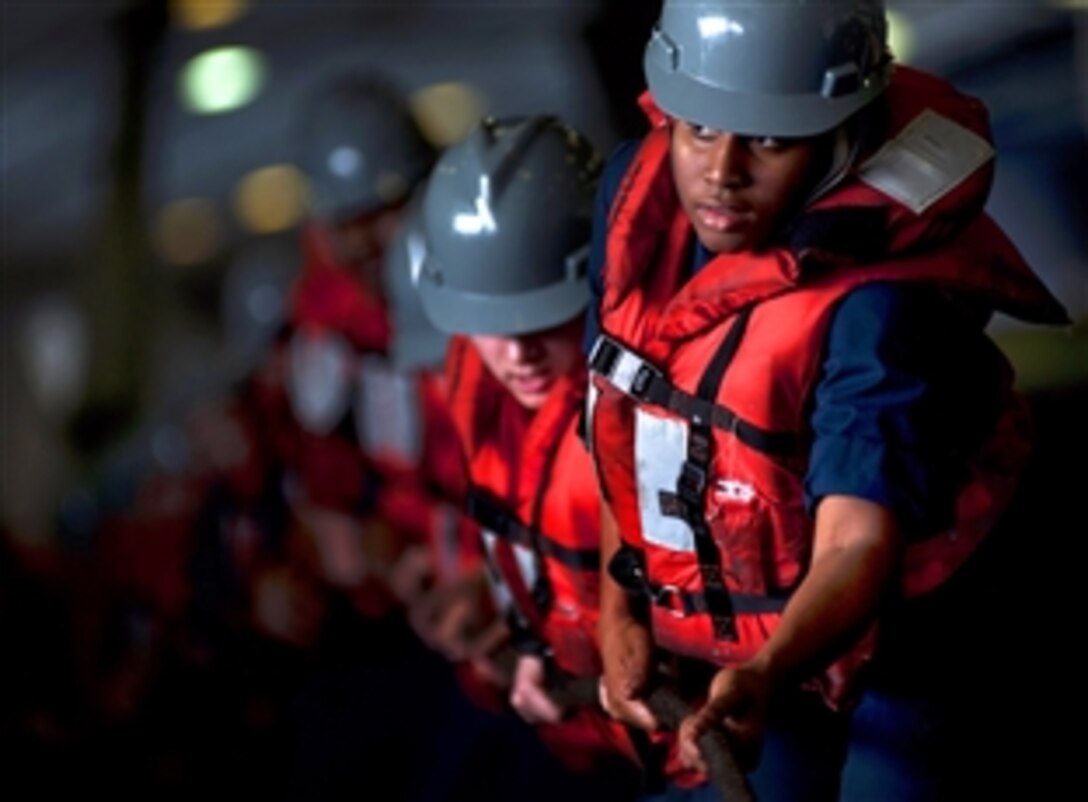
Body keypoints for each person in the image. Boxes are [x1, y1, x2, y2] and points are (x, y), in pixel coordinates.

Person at [585, 2, 1071, 801]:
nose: (721, 171)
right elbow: (625, 416)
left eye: (770, 138)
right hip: (743, 617)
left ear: (843, 138)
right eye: (698, 128)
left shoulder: (878, 313)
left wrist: (767, 672)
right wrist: (620, 617)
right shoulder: (640, 217)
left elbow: (855, 545)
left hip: (913, 641)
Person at [415, 114, 648, 801]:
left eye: (543, 316)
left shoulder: (648, 405)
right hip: (579, 729)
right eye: (491, 322)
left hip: (682, 736)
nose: (516, 354)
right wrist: (530, 645)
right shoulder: (470, 382)